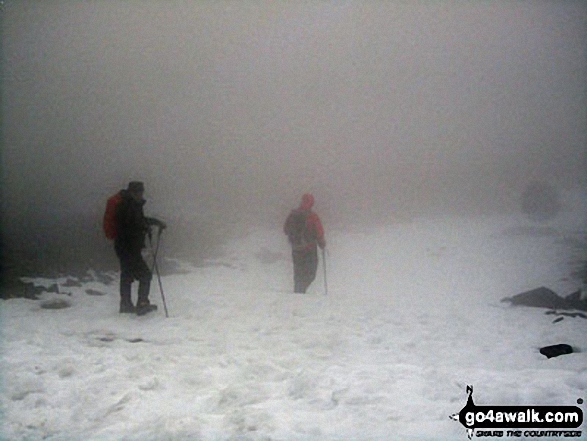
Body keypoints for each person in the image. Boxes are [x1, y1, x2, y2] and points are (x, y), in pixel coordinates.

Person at [114, 181, 166, 315]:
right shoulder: (129, 206)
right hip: (129, 248)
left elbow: (139, 220)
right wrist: (145, 227)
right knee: (145, 275)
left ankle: (126, 304)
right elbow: (131, 225)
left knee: (127, 275)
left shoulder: (129, 204)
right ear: (133, 192)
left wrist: (155, 222)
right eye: (139, 192)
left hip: (124, 247)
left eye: (141, 192)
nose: (141, 194)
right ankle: (142, 303)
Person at [283, 193, 326, 293]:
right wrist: (322, 243)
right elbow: (319, 232)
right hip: (309, 248)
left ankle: (298, 291)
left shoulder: (293, 214)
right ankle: (302, 289)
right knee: (311, 272)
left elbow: (285, 230)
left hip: (296, 248)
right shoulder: (312, 216)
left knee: (298, 272)